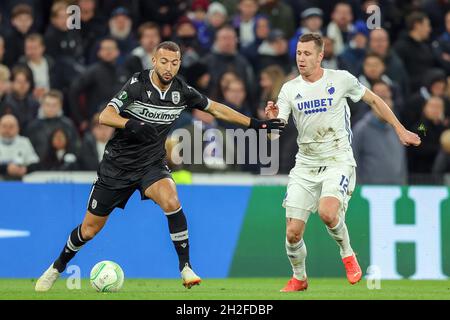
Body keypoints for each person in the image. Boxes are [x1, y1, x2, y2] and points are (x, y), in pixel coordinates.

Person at [35, 41, 285, 292]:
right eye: (164, 62)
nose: (169, 68)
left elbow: (215, 109)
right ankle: (56, 267)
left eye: (174, 63)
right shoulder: (137, 84)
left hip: (151, 165)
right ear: (153, 61)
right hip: (116, 167)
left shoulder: (181, 91)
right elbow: (105, 116)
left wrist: (255, 124)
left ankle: (185, 268)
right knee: (89, 230)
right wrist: (130, 124)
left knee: (171, 200)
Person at [264, 33, 421, 292]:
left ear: (320, 56)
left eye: (307, 54)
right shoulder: (290, 89)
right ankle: (299, 278)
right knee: (292, 232)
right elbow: (274, 131)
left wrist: (400, 129)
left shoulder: (341, 79)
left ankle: (347, 254)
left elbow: (374, 100)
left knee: (327, 212)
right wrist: (270, 121)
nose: (301, 59)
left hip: (338, 158)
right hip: (305, 164)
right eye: (298, 54)